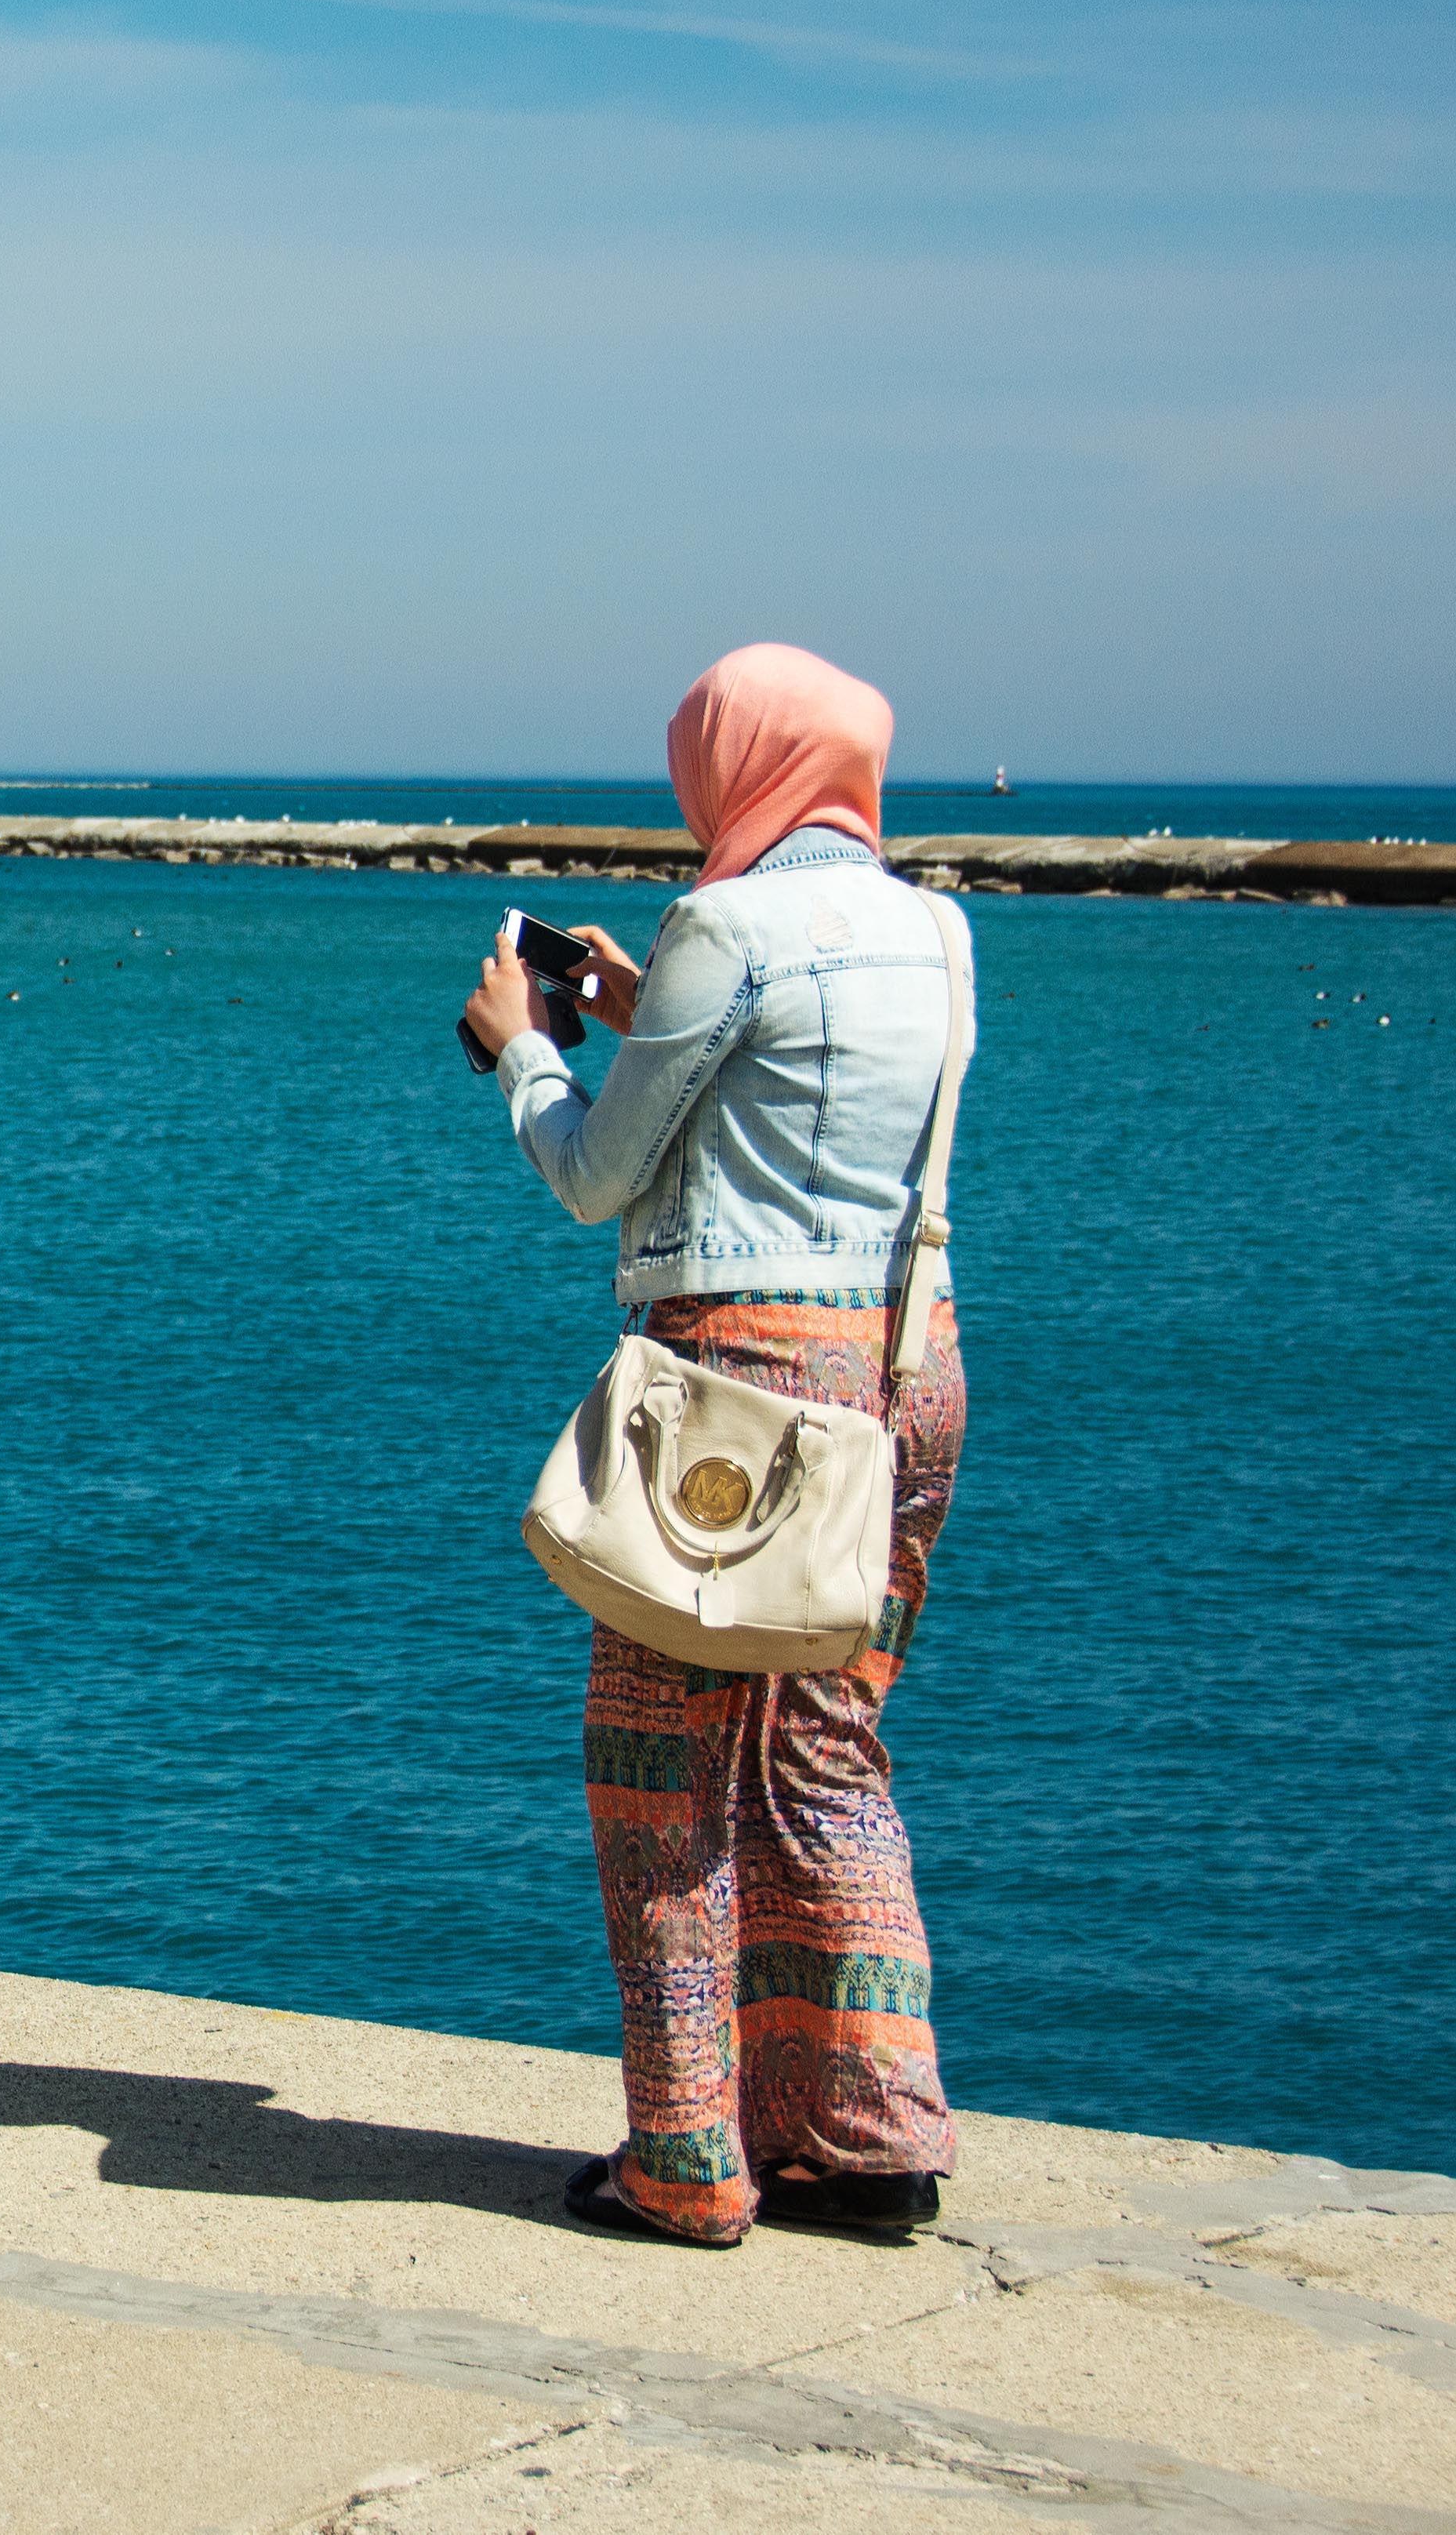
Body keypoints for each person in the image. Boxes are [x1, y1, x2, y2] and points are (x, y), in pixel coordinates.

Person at [460, 640, 973, 2248]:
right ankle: (872, 2131)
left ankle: (688, 2151)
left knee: (655, 1761)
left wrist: (527, 1048)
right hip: (902, 1371)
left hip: (738, 1394)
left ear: (725, 764)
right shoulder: (936, 930)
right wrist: (638, 1007)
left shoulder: (721, 925)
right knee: (826, 1748)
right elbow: (802, 1116)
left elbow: (599, 1174)